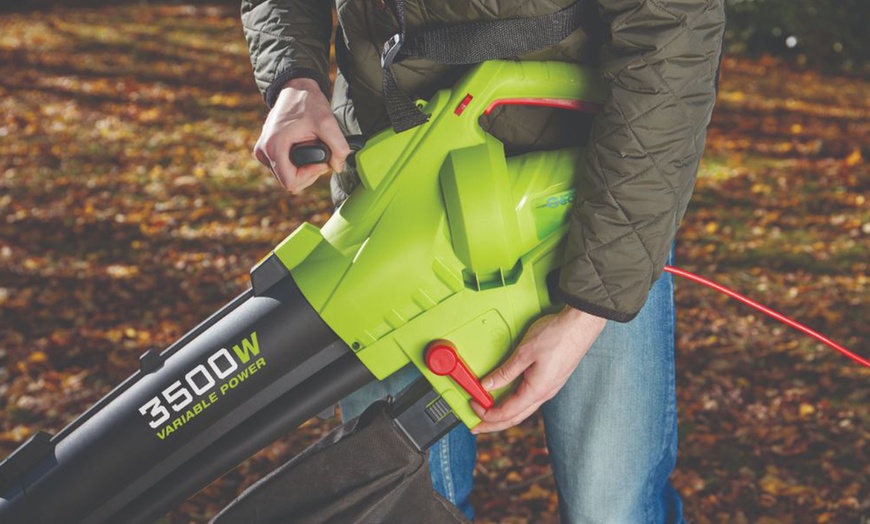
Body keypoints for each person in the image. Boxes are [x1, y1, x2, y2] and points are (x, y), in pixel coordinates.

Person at [241, 1, 725, 522]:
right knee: (398, 506)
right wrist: (294, 77)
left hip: (588, 206)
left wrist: (591, 309)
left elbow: (670, 35)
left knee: (612, 507)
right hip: (391, 207)